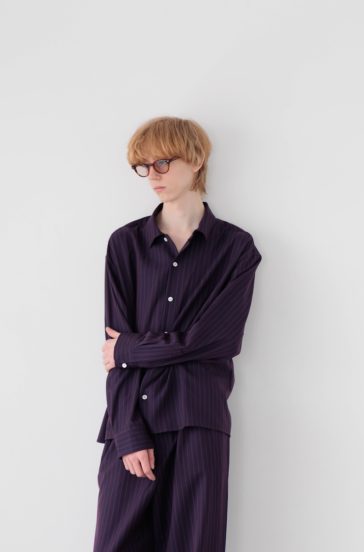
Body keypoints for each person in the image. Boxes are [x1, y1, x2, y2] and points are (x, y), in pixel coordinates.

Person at [93, 115, 262, 551]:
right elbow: (114, 351)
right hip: (133, 423)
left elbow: (218, 340)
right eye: (144, 167)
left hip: (198, 425)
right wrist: (128, 432)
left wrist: (131, 348)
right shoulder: (125, 245)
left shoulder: (235, 249)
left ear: (196, 159)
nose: (153, 175)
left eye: (163, 163)